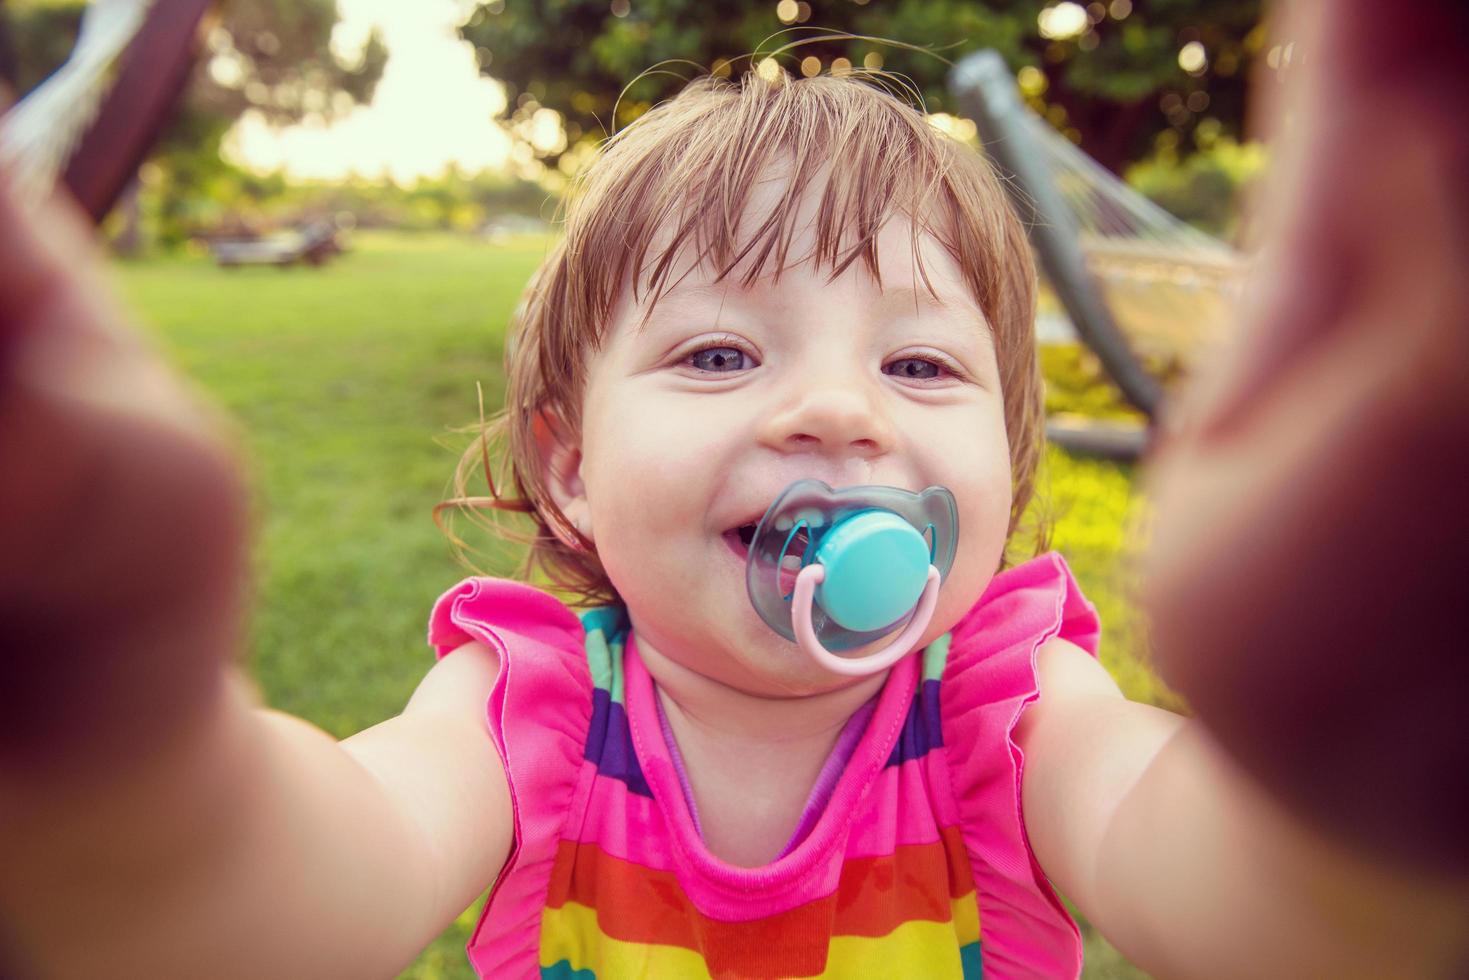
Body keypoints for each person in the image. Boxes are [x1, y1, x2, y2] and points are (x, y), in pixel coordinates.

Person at [1, 3, 1465, 977]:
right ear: (569, 468)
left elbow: (1220, 880)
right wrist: (111, 740)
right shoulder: (537, 712)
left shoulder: (1010, 708)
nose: (836, 409)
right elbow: (292, 892)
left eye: (922, 369)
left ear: (1009, 478)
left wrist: (1358, 784)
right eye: (717, 352)